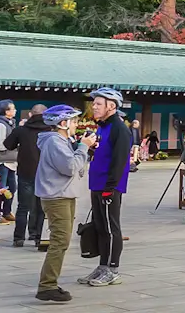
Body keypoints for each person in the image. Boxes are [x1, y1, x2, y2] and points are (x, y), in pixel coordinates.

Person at [35, 104, 92, 303]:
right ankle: (47, 286)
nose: (77, 124)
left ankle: (49, 283)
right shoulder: (54, 141)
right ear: (63, 123)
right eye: (74, 121)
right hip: (57, 196)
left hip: (63, 194)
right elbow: (70, 167)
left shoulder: (62, 140)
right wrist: (83, 147)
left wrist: (81, 148)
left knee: (62, 241)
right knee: (59, 241)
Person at [77, 87, 132, 288]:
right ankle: (102, 266)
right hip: (97, 183)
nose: (94, 107)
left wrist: (110, 187)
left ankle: (113, 269)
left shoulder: (120, 129)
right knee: (100, 226)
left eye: (99, 104)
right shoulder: (102, 127)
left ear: (112, 106)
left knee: (111, 227)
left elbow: (119, 161)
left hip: (110, 186)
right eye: (94, 103)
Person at [8, 106, 52, 248]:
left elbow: (8, 144)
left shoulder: (22, 129)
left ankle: (18, 238)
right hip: (43, 173)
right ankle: (38, 237)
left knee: (23, 207)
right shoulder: (50, 130)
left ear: (31, 114)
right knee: (40, 208)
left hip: (25, 171)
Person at [0, 100, 19, 221]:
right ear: (6, 111)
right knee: (1, 188)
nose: (15, 110)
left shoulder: (10, 123)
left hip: (10, 160)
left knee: (12, 187)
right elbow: (0, 145)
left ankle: (7, 211)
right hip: (0, 161)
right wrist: (16, 145)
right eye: (13, 108)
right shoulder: (0, 124)